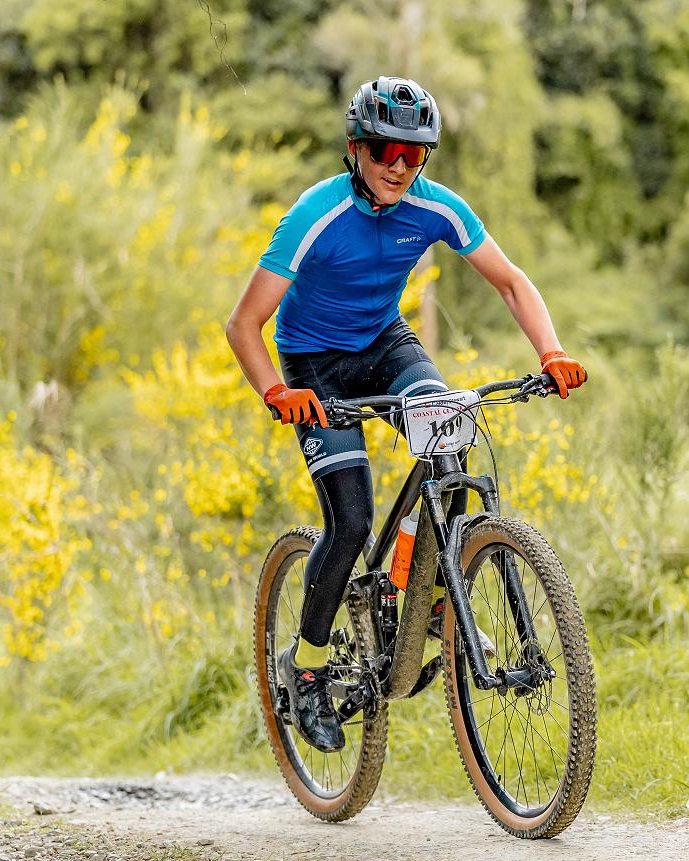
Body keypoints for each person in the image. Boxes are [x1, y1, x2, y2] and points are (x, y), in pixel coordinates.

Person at [226, 76, 587, 753]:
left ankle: (414, 590)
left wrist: (552, 350)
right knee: (352, 519)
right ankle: (307, 667)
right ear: (355, 148)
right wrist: (276, 391)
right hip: (313, 363)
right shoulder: (314, 215)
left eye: (413, 154)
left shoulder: (437, 208)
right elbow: (244, 323)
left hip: (386, 345)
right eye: (385, 150)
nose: (398, 166)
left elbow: (511, 282)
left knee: (450, 444)